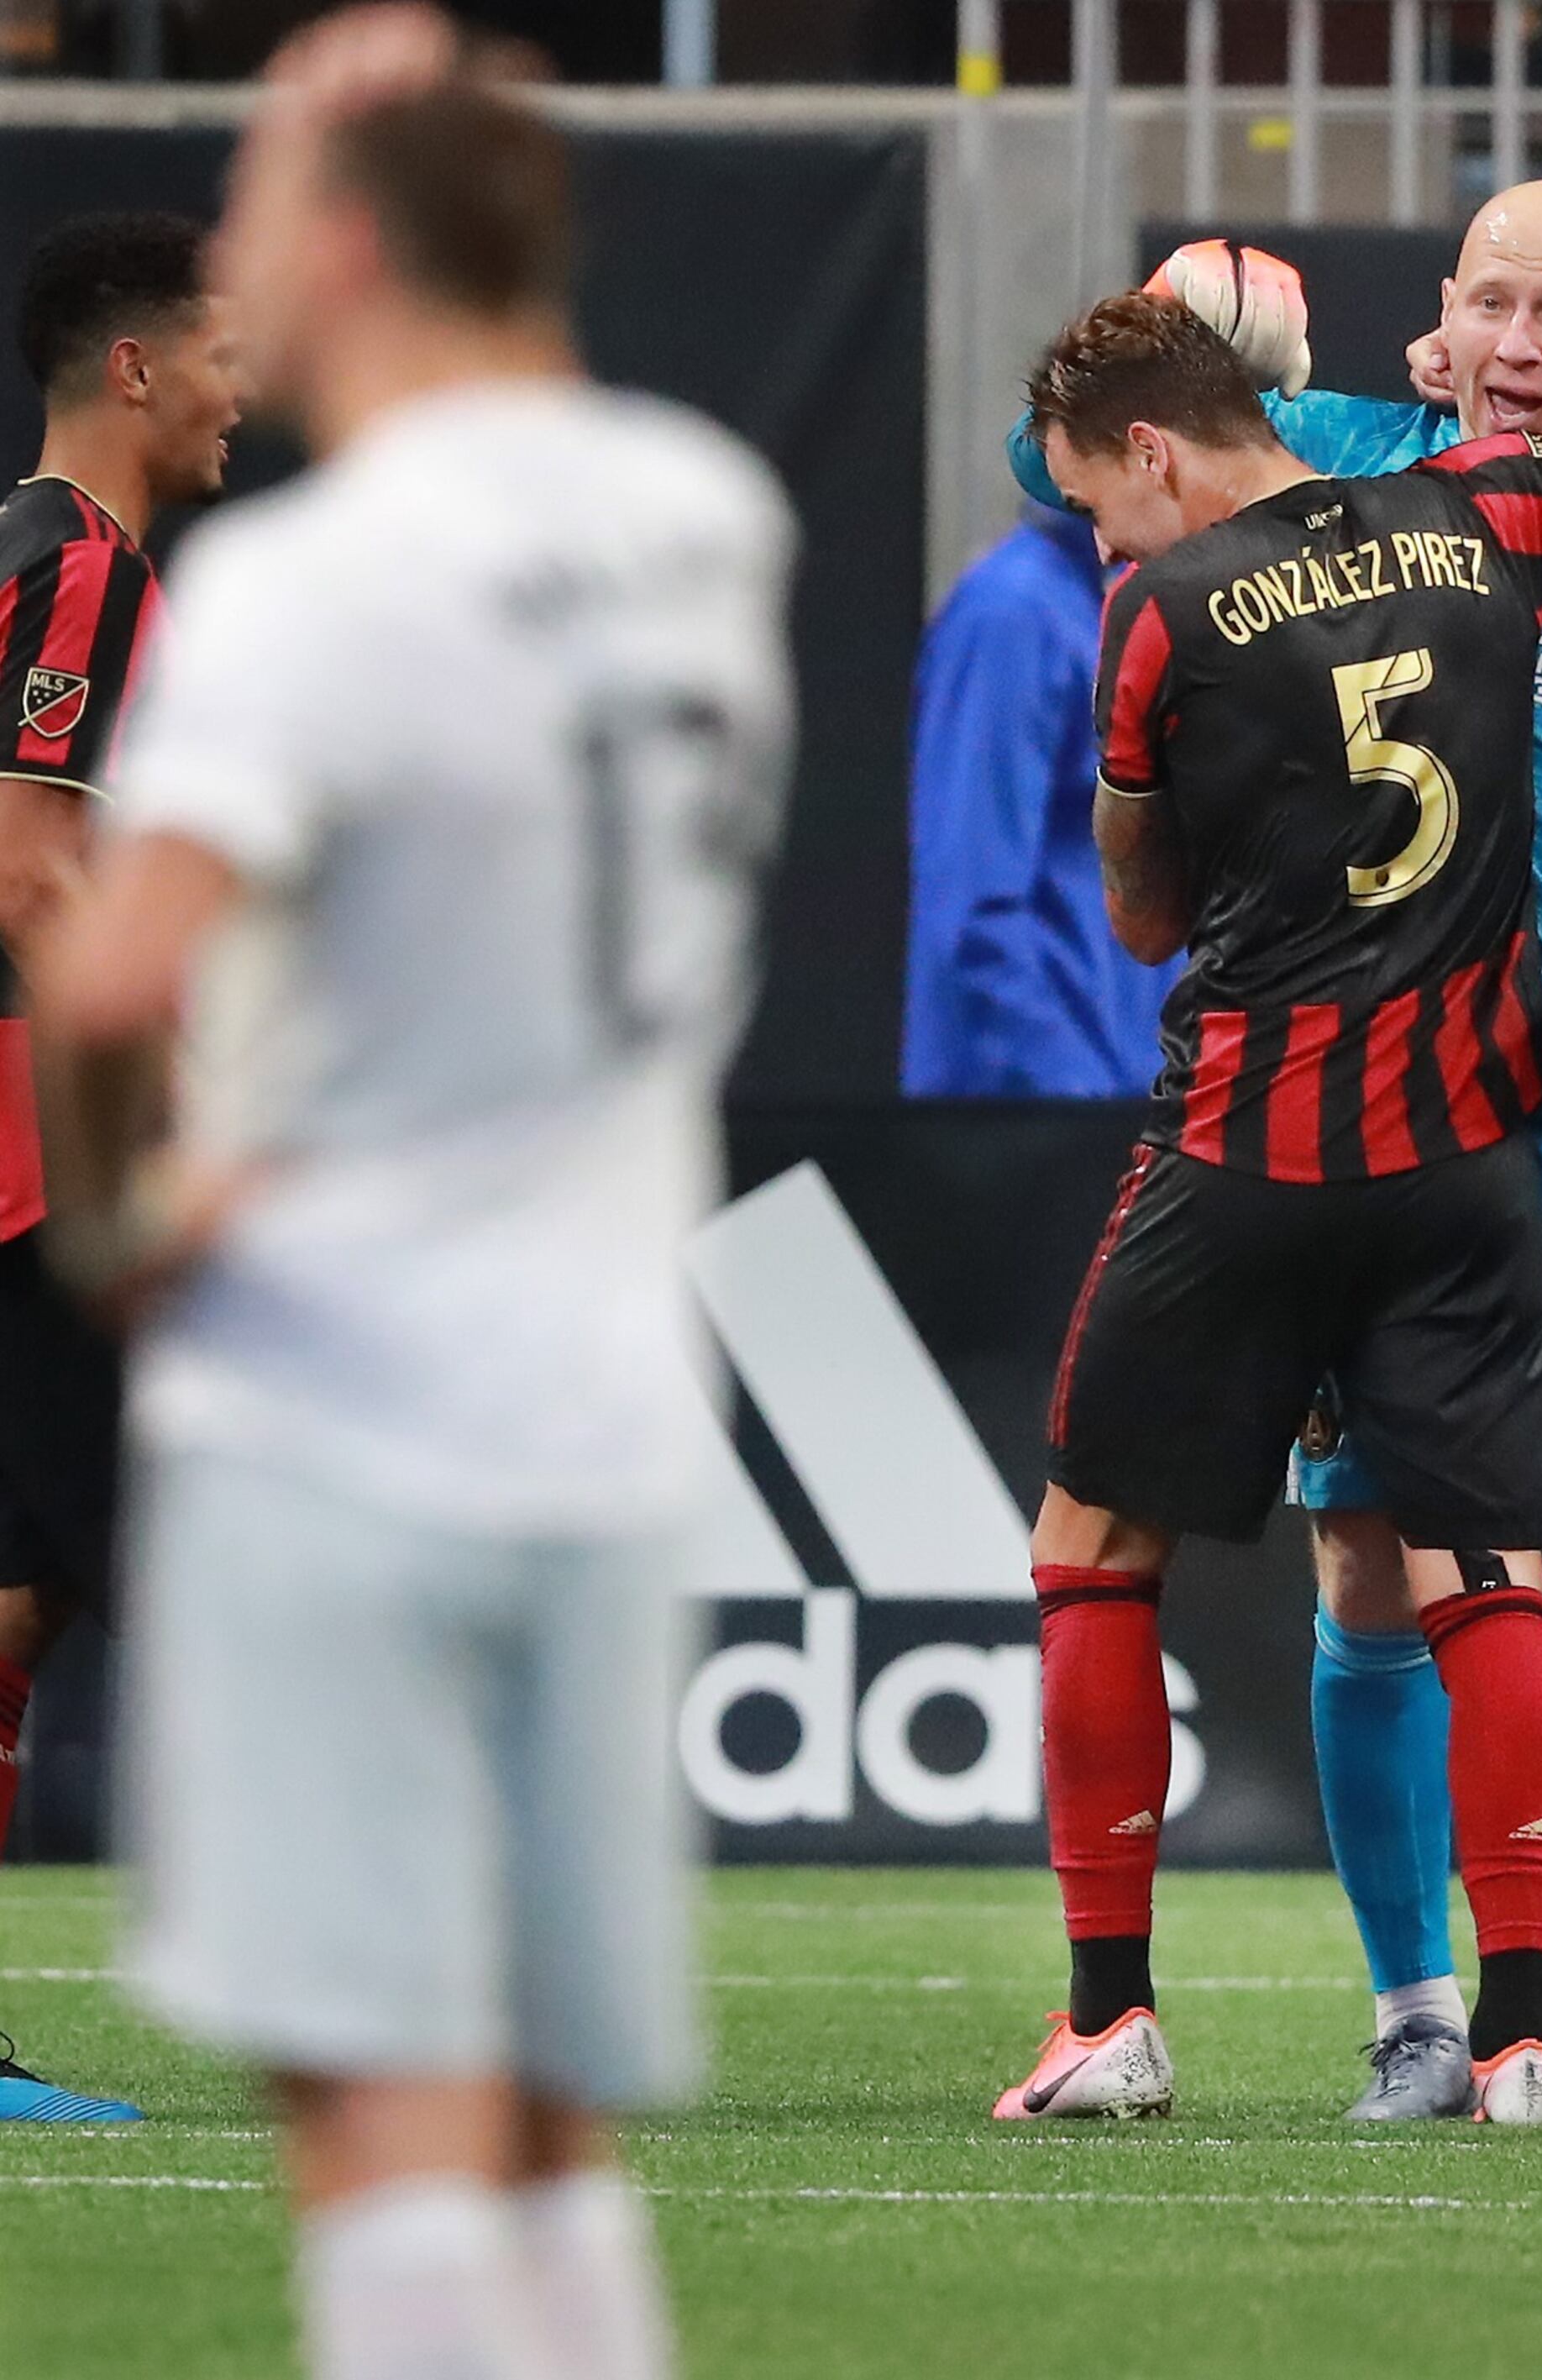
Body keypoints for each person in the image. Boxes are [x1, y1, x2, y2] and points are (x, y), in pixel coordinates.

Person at [30, 14, 796, 2376]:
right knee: (545, 2106)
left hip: (340, 1408)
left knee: (370, 2113)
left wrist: (118, 1235)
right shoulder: (701, 512)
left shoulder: (307, 586)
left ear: (350, 242)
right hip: (597, 1411)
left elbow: (102, 983)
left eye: (270, 224)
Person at [1014, 198, 1542, 2122]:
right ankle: (1420, 2005)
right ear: (1432, 326)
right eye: (1484, 299)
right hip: (1403, 1106)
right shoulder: (1360, 456)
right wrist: (1187, 319)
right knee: (1374, 1568)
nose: (1513, 337)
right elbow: (1068, 456)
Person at [0, 208, 240, 2127]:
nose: (248, 384)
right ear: (137, 365)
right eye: (219, 347)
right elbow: (33, 869)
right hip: (35, 1158)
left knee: (20, 1591)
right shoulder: (77, 570)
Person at [901, 501, 1179, 1097]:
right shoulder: (1011, 614)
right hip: (1023, 1124)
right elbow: (973, 914)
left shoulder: (1131, 606)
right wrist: (1087, 1110)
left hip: (1125, 1107)